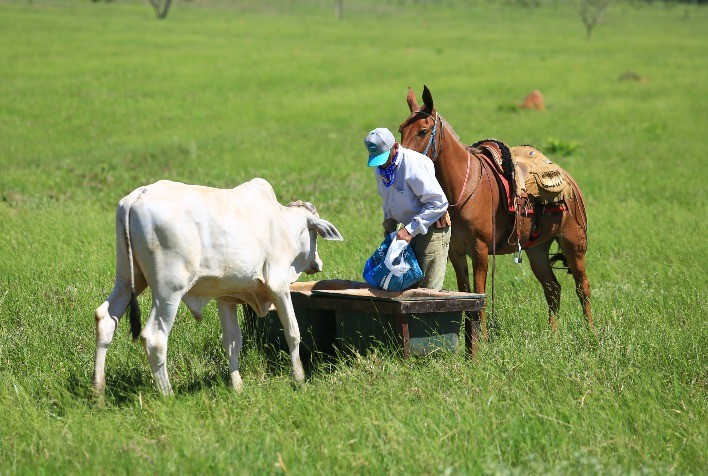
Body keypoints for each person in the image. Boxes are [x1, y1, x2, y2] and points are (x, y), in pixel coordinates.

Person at [364, 127, 451, 291]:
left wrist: (410, 230)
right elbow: (387, 198)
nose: (382, 163)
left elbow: (438, 202)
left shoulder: (413, 165)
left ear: (395, 147)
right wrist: (389, 220)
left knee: (427, 292)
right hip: (408, 231)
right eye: (377, 159)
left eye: (383, 157)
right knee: (405, 287)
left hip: (431, 230)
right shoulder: (381, 169)